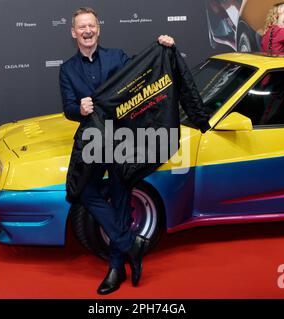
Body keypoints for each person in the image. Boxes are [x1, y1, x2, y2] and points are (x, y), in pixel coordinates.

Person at [59, 7, 175, 295]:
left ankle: (115, 268)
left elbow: (145, 71)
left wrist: (163, 48)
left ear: (98, 28)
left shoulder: (117, 57)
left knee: (122, 198)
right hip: (93, 140)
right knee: (85, 191)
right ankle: (131, 244)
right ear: (73, 33)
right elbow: (68, 108)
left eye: (92, 25)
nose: (87, 31)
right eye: (81, 27)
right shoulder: (67, 69)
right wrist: (79, 109)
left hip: (124, 137)